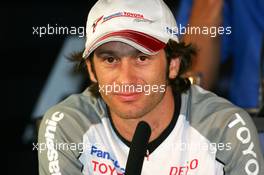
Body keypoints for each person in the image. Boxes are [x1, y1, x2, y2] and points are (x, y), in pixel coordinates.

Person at [38, 0, 264, 174]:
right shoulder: (67, 125)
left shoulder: (226, 127)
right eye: (110, 59)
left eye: (142, 58)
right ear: (91, 70)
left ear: (173, 64)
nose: (126, 80)